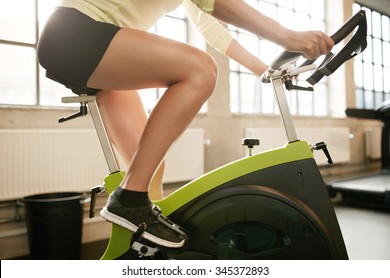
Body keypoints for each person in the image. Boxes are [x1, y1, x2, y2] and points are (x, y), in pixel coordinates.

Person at [38, 0, 334, 249]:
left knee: (149, 171)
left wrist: (266, 71)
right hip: (77, 32)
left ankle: (141, 252)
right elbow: (219, 4)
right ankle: (128, 198)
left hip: (98, 42)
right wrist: (287, 37)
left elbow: (211, 28)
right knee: (200, 69)